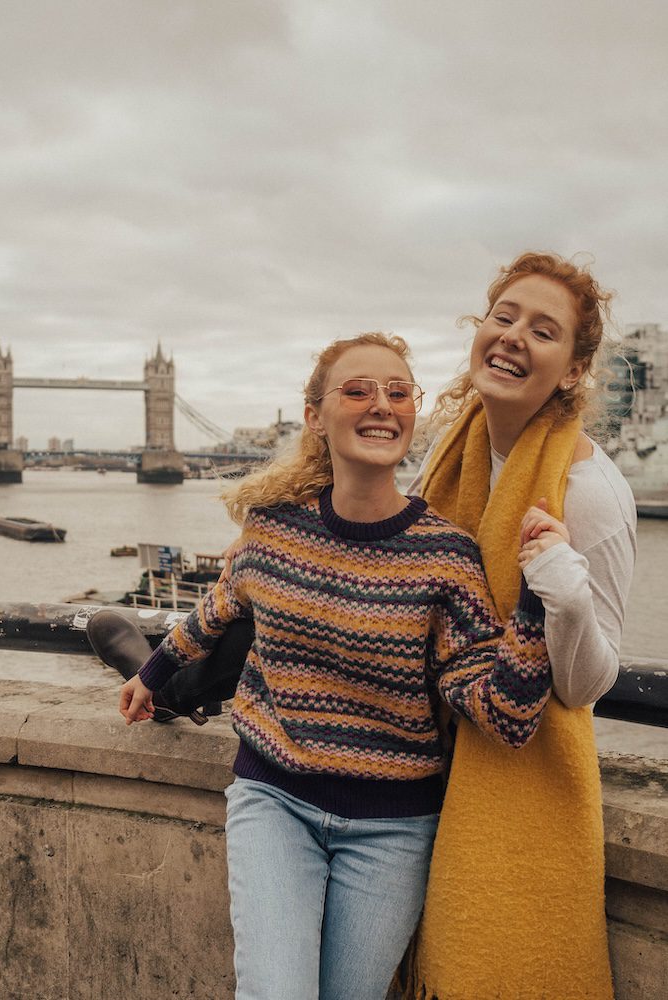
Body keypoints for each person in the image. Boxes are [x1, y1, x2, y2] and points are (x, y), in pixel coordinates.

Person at [118, 332, 555, 1000]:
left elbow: (508, 716)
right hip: (274, 800)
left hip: (393, 828)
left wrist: (535, 602)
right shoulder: (273, 527)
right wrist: (149, 676)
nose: (381, 404)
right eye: (357, 390)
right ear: (315, 417)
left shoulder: (447, 556)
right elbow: (218, 605)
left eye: (398, 392)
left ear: (413, 413)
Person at [396, 251, 636, 1000]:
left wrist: (561, 587)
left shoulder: (588, 490)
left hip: (517, 769)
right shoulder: (451, 450)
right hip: (423, 756)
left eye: (543, 330)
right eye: (503, 317)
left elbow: (592, 681)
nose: (511, 338)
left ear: (571, 370)